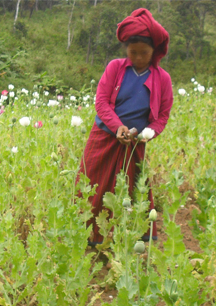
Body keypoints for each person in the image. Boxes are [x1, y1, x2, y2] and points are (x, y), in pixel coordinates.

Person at [76, 8, 174, 247]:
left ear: (154, 51)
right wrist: (118, 127)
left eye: (144, 53)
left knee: (132, 188)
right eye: (133, 52)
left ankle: (131, 235)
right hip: (104, 135)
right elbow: (101, 102)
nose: (138, 58)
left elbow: (162, 116)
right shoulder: (115, 68)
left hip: (135, 143)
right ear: (126, 50)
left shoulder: (163, 79)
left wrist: (146, 135)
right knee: (92, 184)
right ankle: (88, 235)